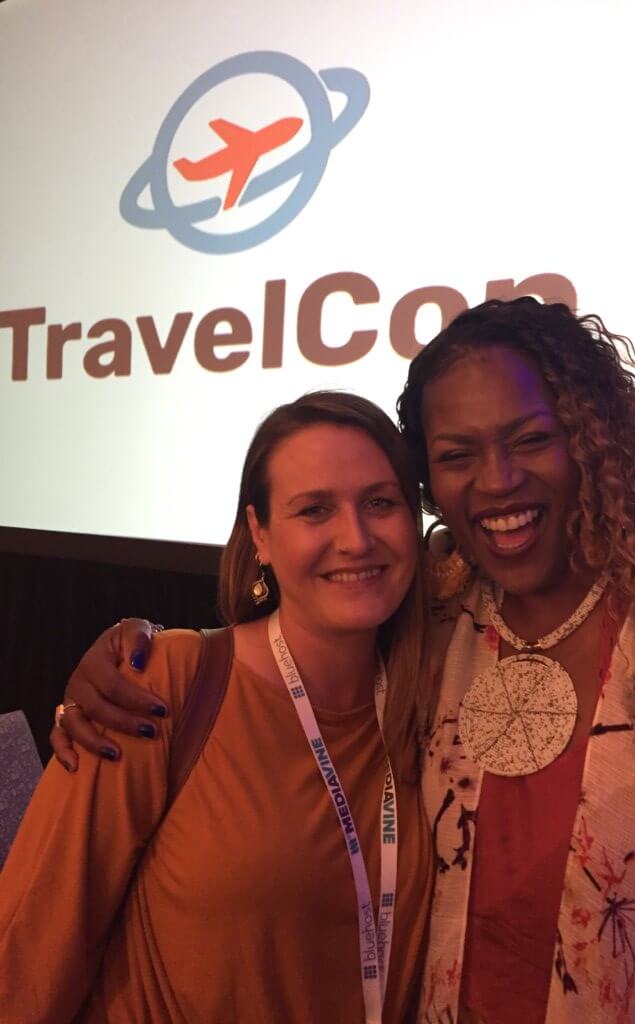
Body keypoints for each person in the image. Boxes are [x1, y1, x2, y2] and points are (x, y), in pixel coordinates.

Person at [51, 299, 635, 1024]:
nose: (497, 480)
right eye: (457, 455)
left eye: (530, 439)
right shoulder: (428, 624)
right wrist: (128, 645)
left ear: (593, 443)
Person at [0, 392, 434, 1023]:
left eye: (380, 502)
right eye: (314, 509)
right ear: (259, 534)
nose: (356, 537)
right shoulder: (166, 681)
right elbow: (33, 944)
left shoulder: (431, 699)